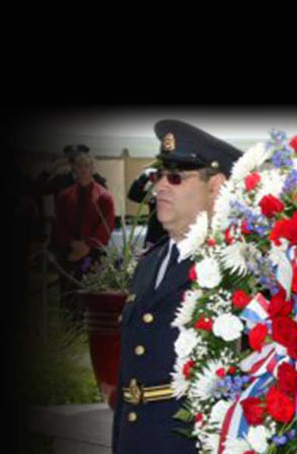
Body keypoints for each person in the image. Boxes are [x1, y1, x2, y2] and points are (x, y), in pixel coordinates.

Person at [111, 122, 243, 454]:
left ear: (215, 187)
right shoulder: (148, 263)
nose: (159, 188)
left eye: (175, 177)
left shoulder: (234, 270)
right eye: (159, 175)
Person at [53, 151, 115, 319]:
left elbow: (107, 225)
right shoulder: (64, 196)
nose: (82, 170)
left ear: (93, 168)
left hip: (93, 251)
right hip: (69, 250)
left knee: (92, 288)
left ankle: (92, 322)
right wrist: (72, 243)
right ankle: (70, 322)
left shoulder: (104, 196)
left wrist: (87, 245)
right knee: (68, 288)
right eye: (79, 166)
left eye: (86, 166)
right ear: (73, 168)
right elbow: (59, 223)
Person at [127, 119, 180, 248]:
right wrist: (152, 198)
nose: (167, 144)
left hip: (177, 231)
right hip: (155, 232)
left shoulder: (183, 173)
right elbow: (133, 194)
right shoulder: (151, 172)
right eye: (165, 142)